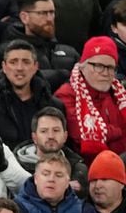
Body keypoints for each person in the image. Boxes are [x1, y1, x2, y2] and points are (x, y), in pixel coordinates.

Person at [0, 39, 65, 150]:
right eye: (13, 62)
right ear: (4, 67)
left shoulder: (53, 105)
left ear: (35, 66)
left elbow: (63, 145)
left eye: (26, 62)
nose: (19, 68)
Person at [54, 36, 126, 164]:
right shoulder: (67, 95)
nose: (105, 73)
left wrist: (107, 131)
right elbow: (79, 134)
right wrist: (119, 131)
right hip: (89, 167)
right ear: (83, 66)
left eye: (110, 68)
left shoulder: (119, 94)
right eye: (99, 66)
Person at [0, 0, 79, 92]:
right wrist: (60, 76)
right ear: (24, 17)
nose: (49, 19)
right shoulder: (8, 50)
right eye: (43, 13)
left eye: (52, 13)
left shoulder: (70, 52)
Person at [13, 107, 88, 197]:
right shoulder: (15, 166)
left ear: (65, 136)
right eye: (44, 131)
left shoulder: (78, 169)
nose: (51, 136)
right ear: (34, 137)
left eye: (56, 130)